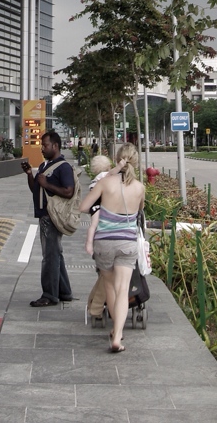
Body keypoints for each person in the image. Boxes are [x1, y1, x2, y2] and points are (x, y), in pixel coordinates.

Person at [78, 142, 146, 353]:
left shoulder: (105, 183)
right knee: (123, 290)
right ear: (136, 162)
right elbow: (140, 211)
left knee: (109, 287)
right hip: (127, 243)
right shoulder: (140, 187)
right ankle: (117, 336)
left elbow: (83, 207)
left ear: (117, 159)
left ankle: (116, 329)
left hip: (104, 242)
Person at [23, 130, 75, 307]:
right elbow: (36, 189)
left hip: (52, 216)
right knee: (55, 254)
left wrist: (47, 184)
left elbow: (69, 191)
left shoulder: (63, 167)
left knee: (50, 256)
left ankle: (49, 295)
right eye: (41, 145)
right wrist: (30, 174)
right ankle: (64, 291)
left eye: (45, 145)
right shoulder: (45, 166)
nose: (42, 149)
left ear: (55, 146)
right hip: (44, 216)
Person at [81, 155, 113, 323]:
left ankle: (94, 303)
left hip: (100, 238)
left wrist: (89, 243)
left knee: (104, 274)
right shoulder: (110, 184)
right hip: (112, 235)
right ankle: (96, 306)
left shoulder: (94, 187)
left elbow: (92, 219)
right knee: (109, 276)